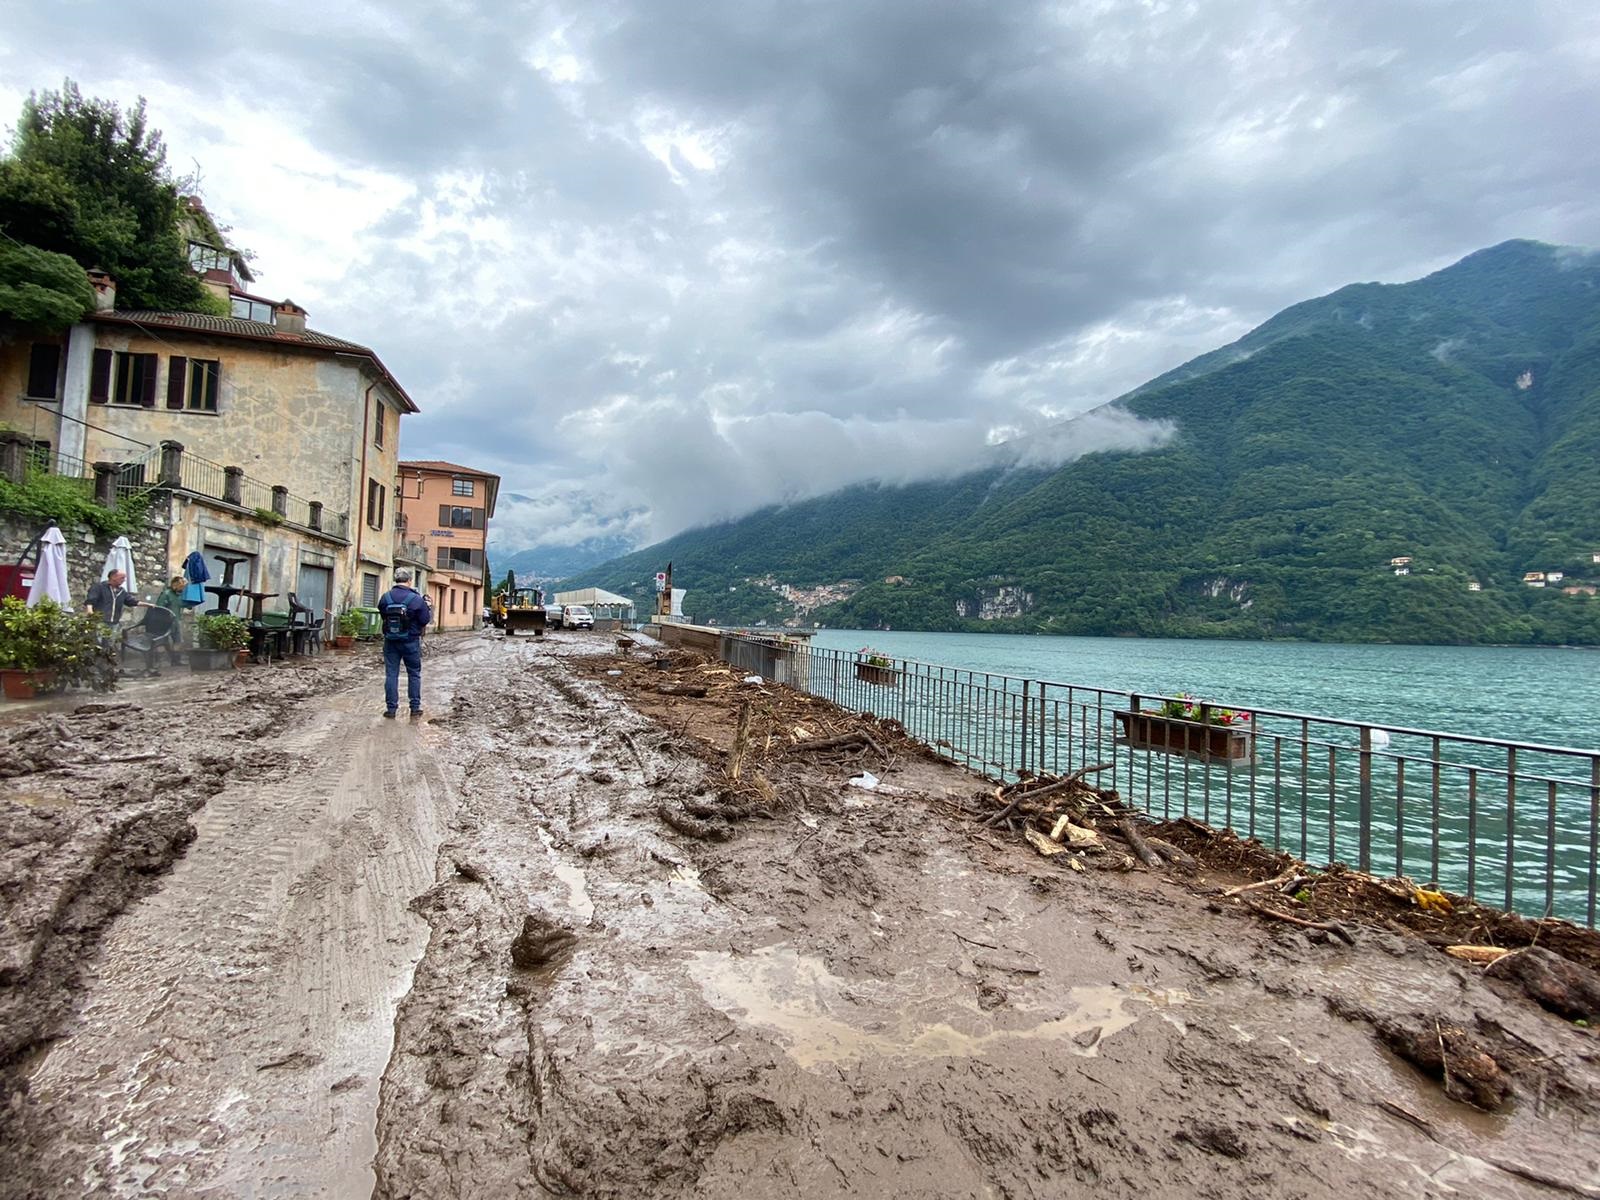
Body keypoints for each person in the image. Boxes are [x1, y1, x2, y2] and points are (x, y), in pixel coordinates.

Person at [378, 567, 432, 719]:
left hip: (390, 641)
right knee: (414, 674)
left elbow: (383, 615)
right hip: (410, 641)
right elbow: (425, 620)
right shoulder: (416, 599)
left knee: (391, 674)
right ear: (409, 580)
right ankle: (415, 708)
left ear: (396, 580)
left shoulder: (385, 597)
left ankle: (391, 709)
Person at [155, 574, 187, 663]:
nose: (182, 589)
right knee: (162, 641)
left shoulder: (179, 595)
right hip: (165, 621)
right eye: (181, 586)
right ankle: (158, 661)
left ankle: (176, 660)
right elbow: (159, 608)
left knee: (178, 640)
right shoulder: (166, 594)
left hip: (176, 620)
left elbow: (182, 605)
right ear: (175, 585)